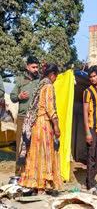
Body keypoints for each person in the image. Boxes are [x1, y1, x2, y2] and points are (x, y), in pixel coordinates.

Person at [18, 63, 62, 195]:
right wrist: (56, 125)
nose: (55, 80)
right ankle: (42, 188)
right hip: (43, 125)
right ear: (52, 74)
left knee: (35, 155)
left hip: (35, 125)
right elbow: (50, 108)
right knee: (43, 155)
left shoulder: (40, 85)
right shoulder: (48, 86)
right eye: (55, 77)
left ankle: (35, 187)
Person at [10, 56, 40, 176]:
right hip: (22, 118)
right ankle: (18, 175)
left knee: (34, 146)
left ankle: (32, 174)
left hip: (36, 118)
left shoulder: (40, 81)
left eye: (37, 67)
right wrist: (19, 97)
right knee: (20, 146)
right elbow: (12, 97)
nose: (35, 69)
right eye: (33, 67)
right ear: (27, 67)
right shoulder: (20, 81)